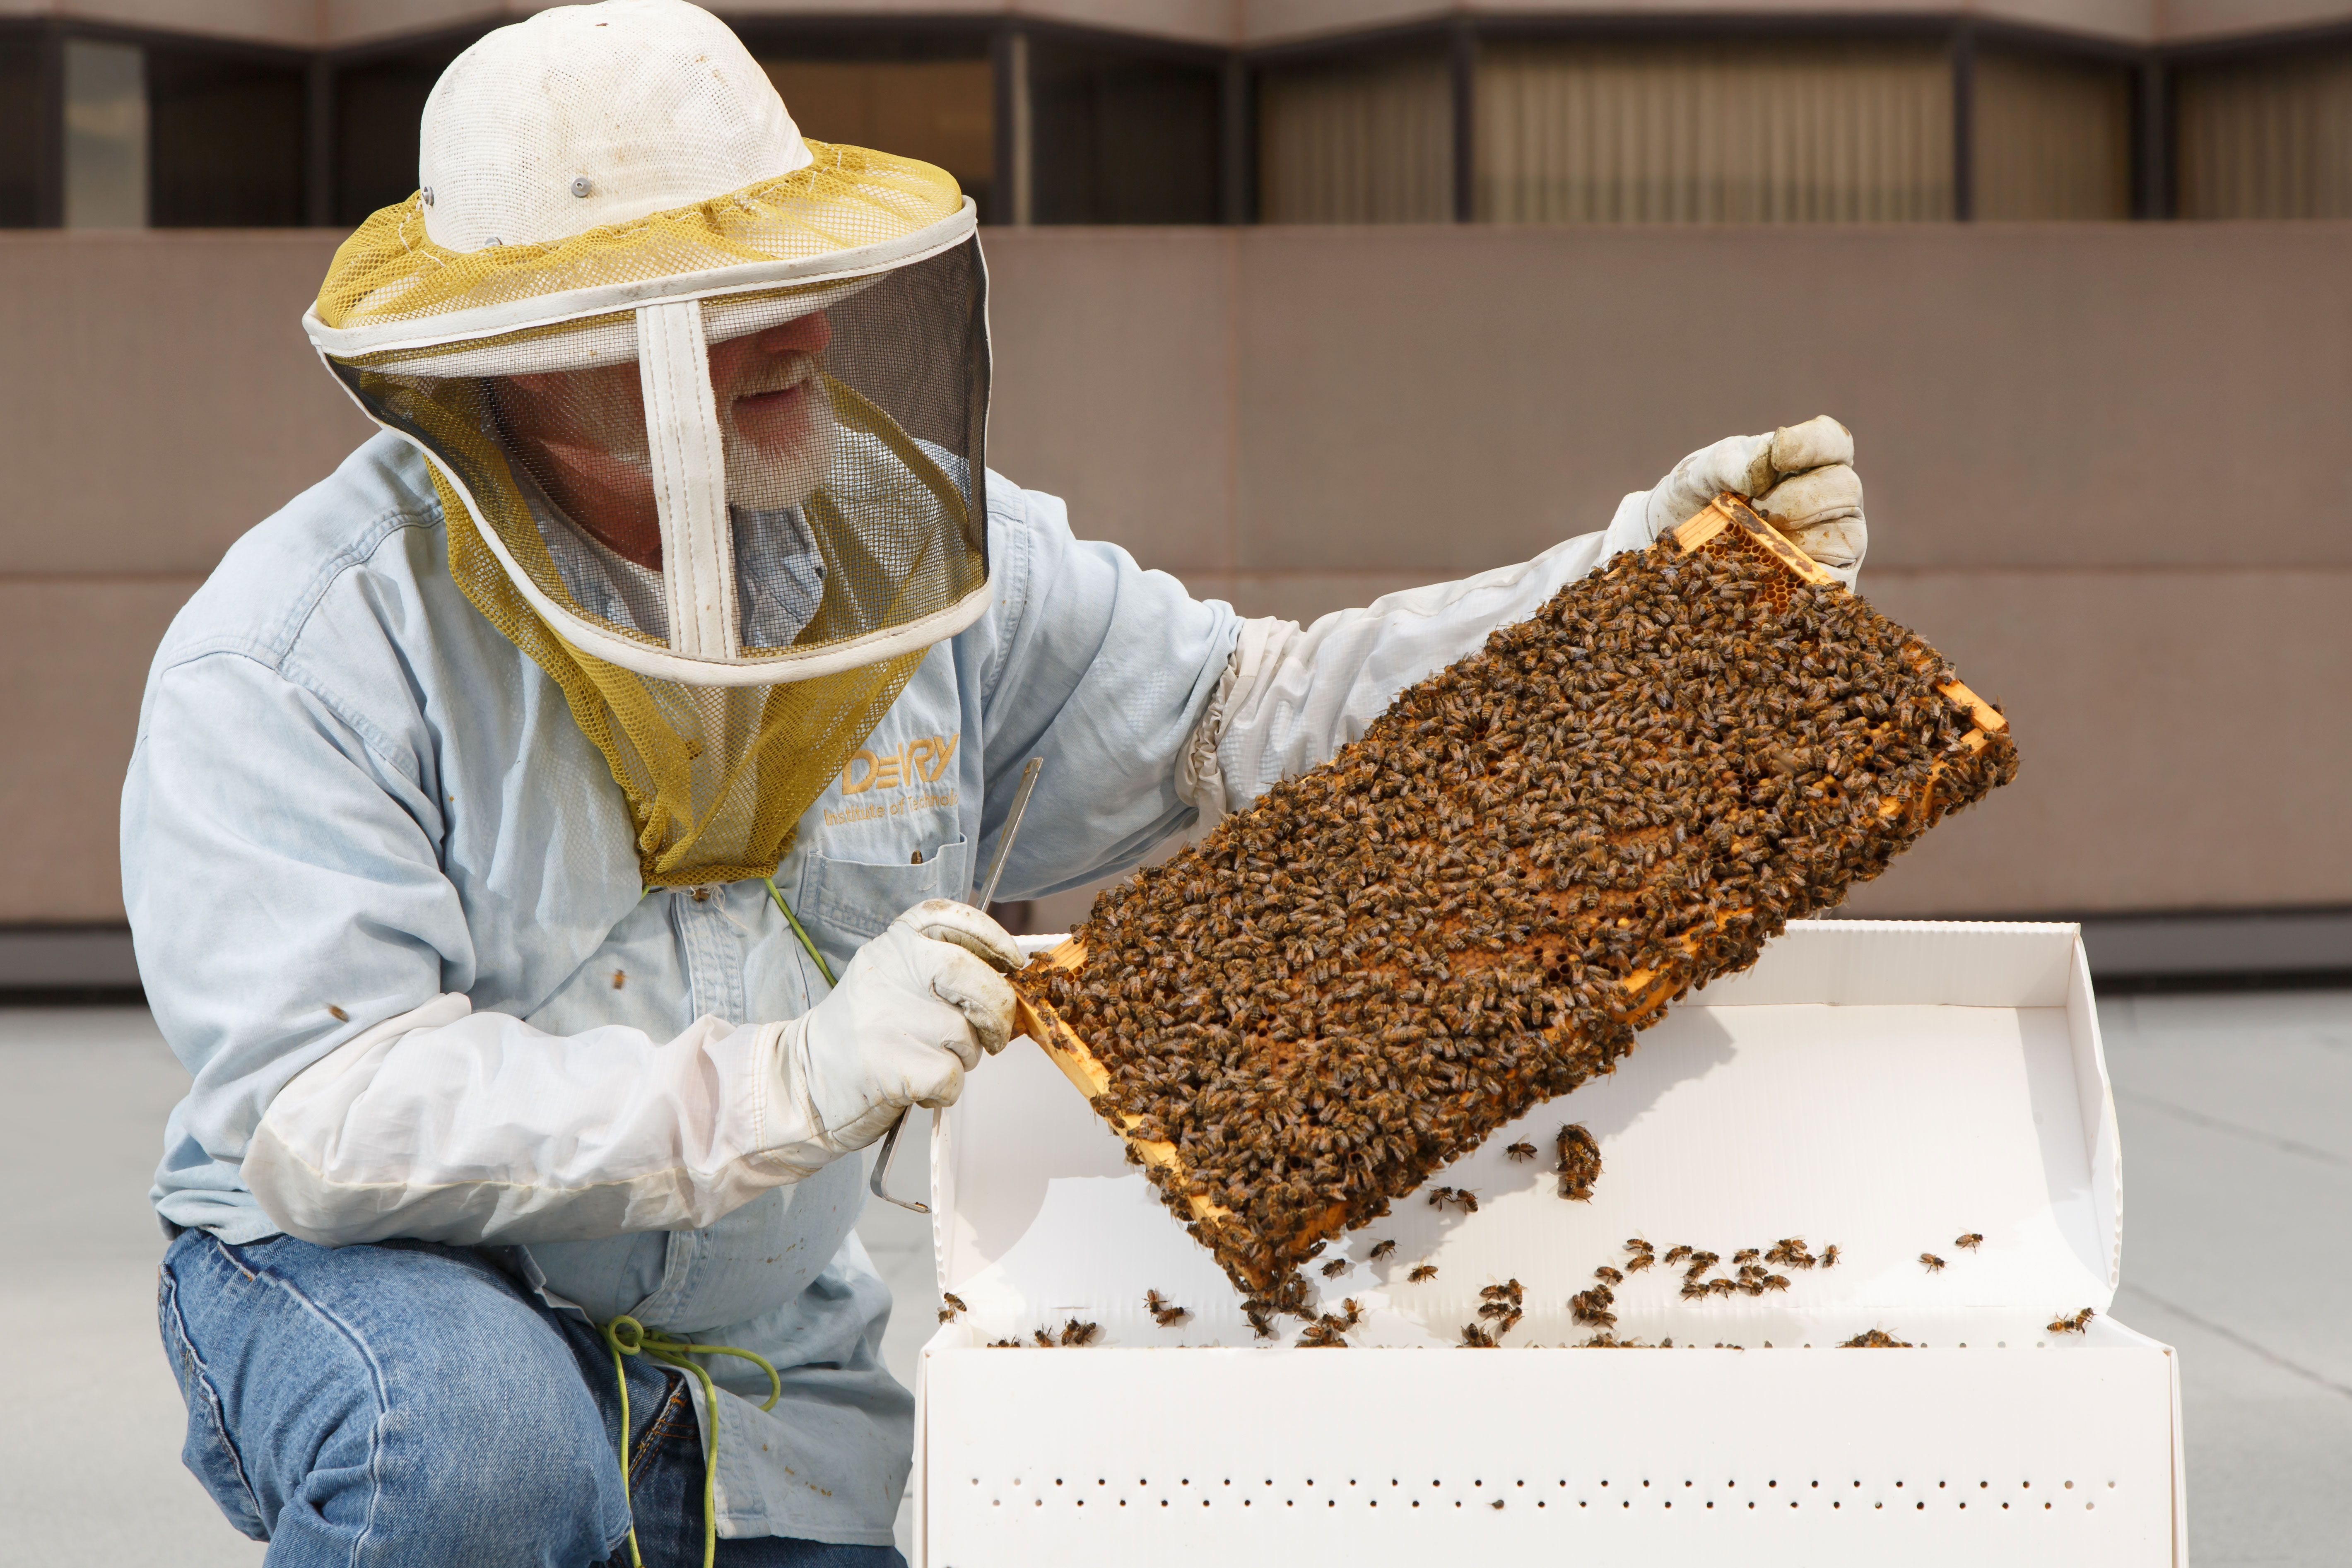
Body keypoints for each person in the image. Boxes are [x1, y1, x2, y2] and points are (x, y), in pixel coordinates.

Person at [127, 3, 1870, 1565]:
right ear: (524, 349)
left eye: (794, 258)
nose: (800, 319)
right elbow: (331, 1111)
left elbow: (1234, 713)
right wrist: (788, 1077)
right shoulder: (299, 649)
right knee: (487, 1452)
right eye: (718, 297)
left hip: (764, 1371)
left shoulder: (909, 550)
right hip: (387, 1294)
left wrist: (1627, 592)